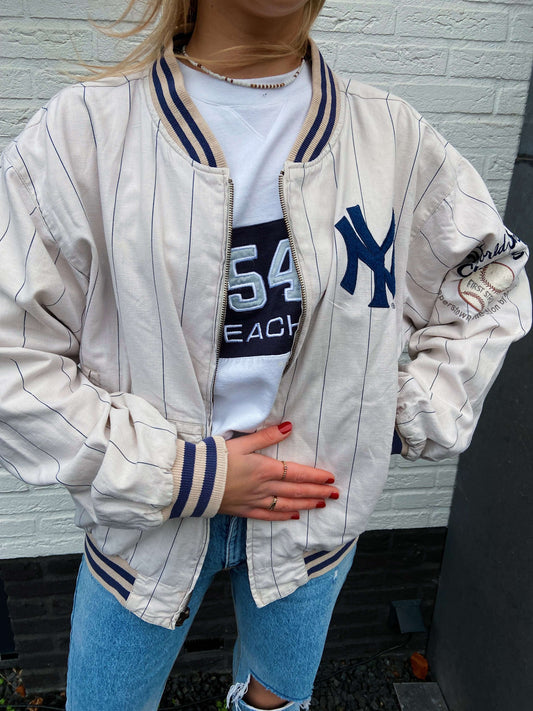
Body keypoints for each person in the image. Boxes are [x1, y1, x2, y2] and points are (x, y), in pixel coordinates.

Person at [0, 0, 530, 709]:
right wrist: (189, 474)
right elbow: (14, 357)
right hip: (146, 525)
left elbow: (488, 283)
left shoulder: (390, 139)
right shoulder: (83, 135)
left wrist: (397, 414)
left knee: (276, 706)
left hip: (311, 522)